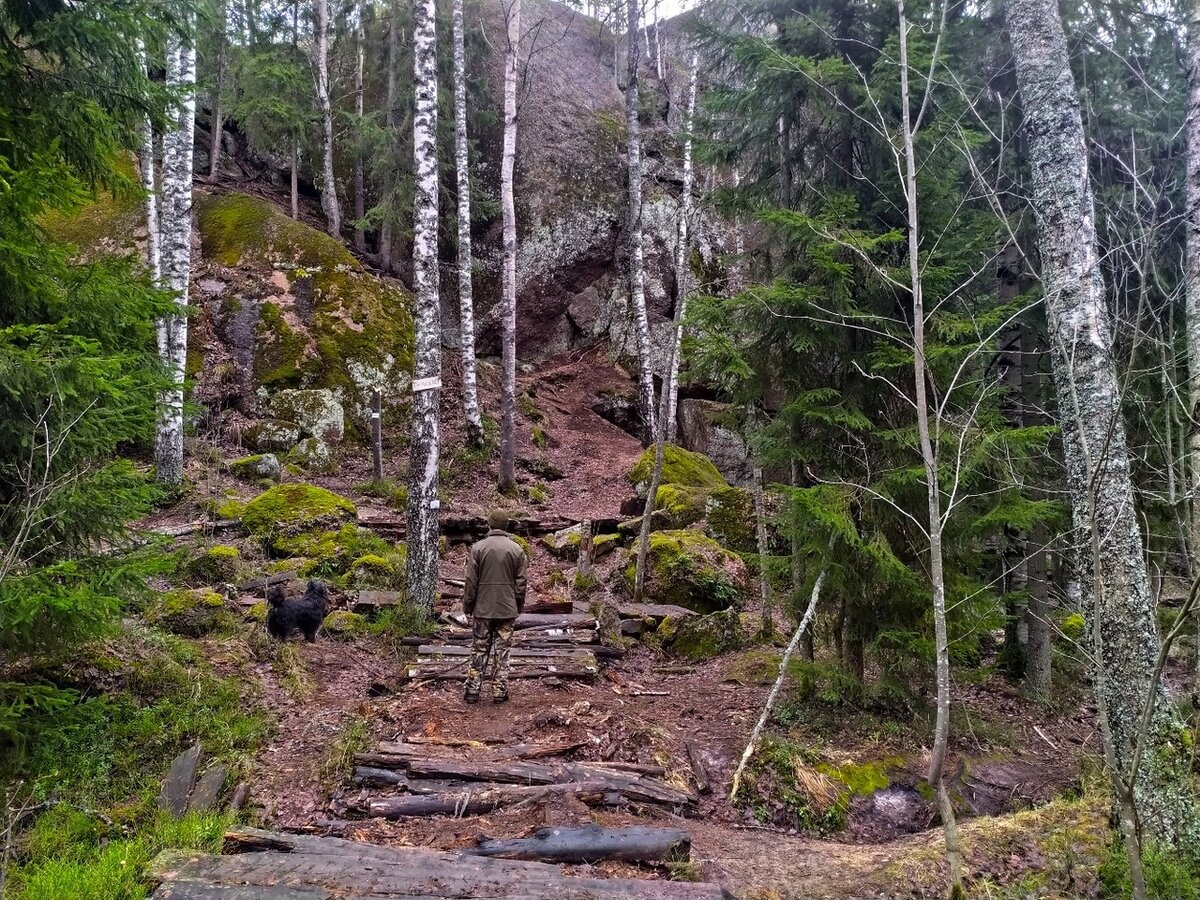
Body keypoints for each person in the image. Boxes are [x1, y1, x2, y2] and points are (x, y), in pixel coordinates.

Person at [462, 509, 528, 703]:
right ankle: (499, 691)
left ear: (490, 525)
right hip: (506, 609)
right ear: (506, 526)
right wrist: (517, 605)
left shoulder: (478, 548)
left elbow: (471, 581)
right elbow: (521, 583)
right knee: (502, 651)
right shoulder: (517, 550)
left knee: (479, 649)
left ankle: (473, 690)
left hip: (483, 609)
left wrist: (468, 606)